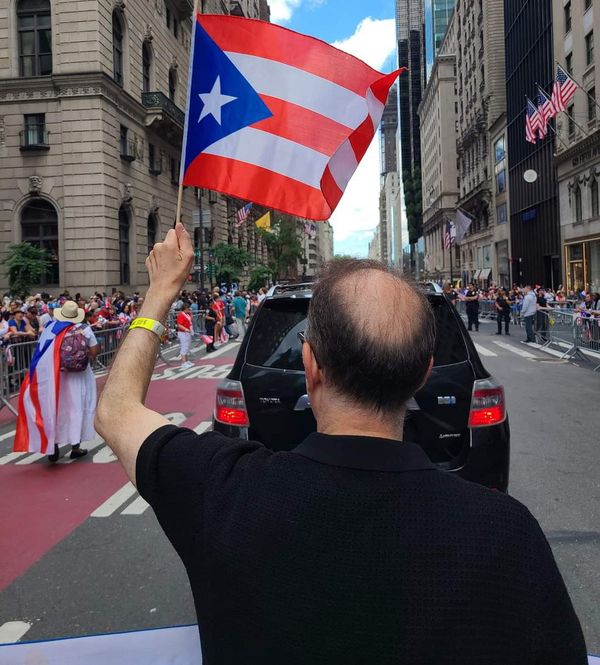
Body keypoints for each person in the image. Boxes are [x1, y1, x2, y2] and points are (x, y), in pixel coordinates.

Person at [94, 225, 587, 665]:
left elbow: (115, 411)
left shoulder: (221, 492)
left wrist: (160, 292)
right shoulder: (508, 535)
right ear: (422, 372)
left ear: (310, 366)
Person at [49, 300, 99, 462]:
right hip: (80, 375)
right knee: (78, 407)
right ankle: (75, 446)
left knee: (57, 407)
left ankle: (53, 443)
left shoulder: (52, 329)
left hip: (58, 375)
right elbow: (94, 352)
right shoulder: (84, 329)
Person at [176, 302, 194, 369]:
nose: (188, 310)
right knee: (184, 347)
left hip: (188, 332)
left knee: (187, 347)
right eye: (187, 308)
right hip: (183, 333)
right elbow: (179, 324)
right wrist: (186, 329)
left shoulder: (187, 314)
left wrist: (191, 313)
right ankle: (183, 362)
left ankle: (186, 360)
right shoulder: (181, 315)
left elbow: (191, 320)